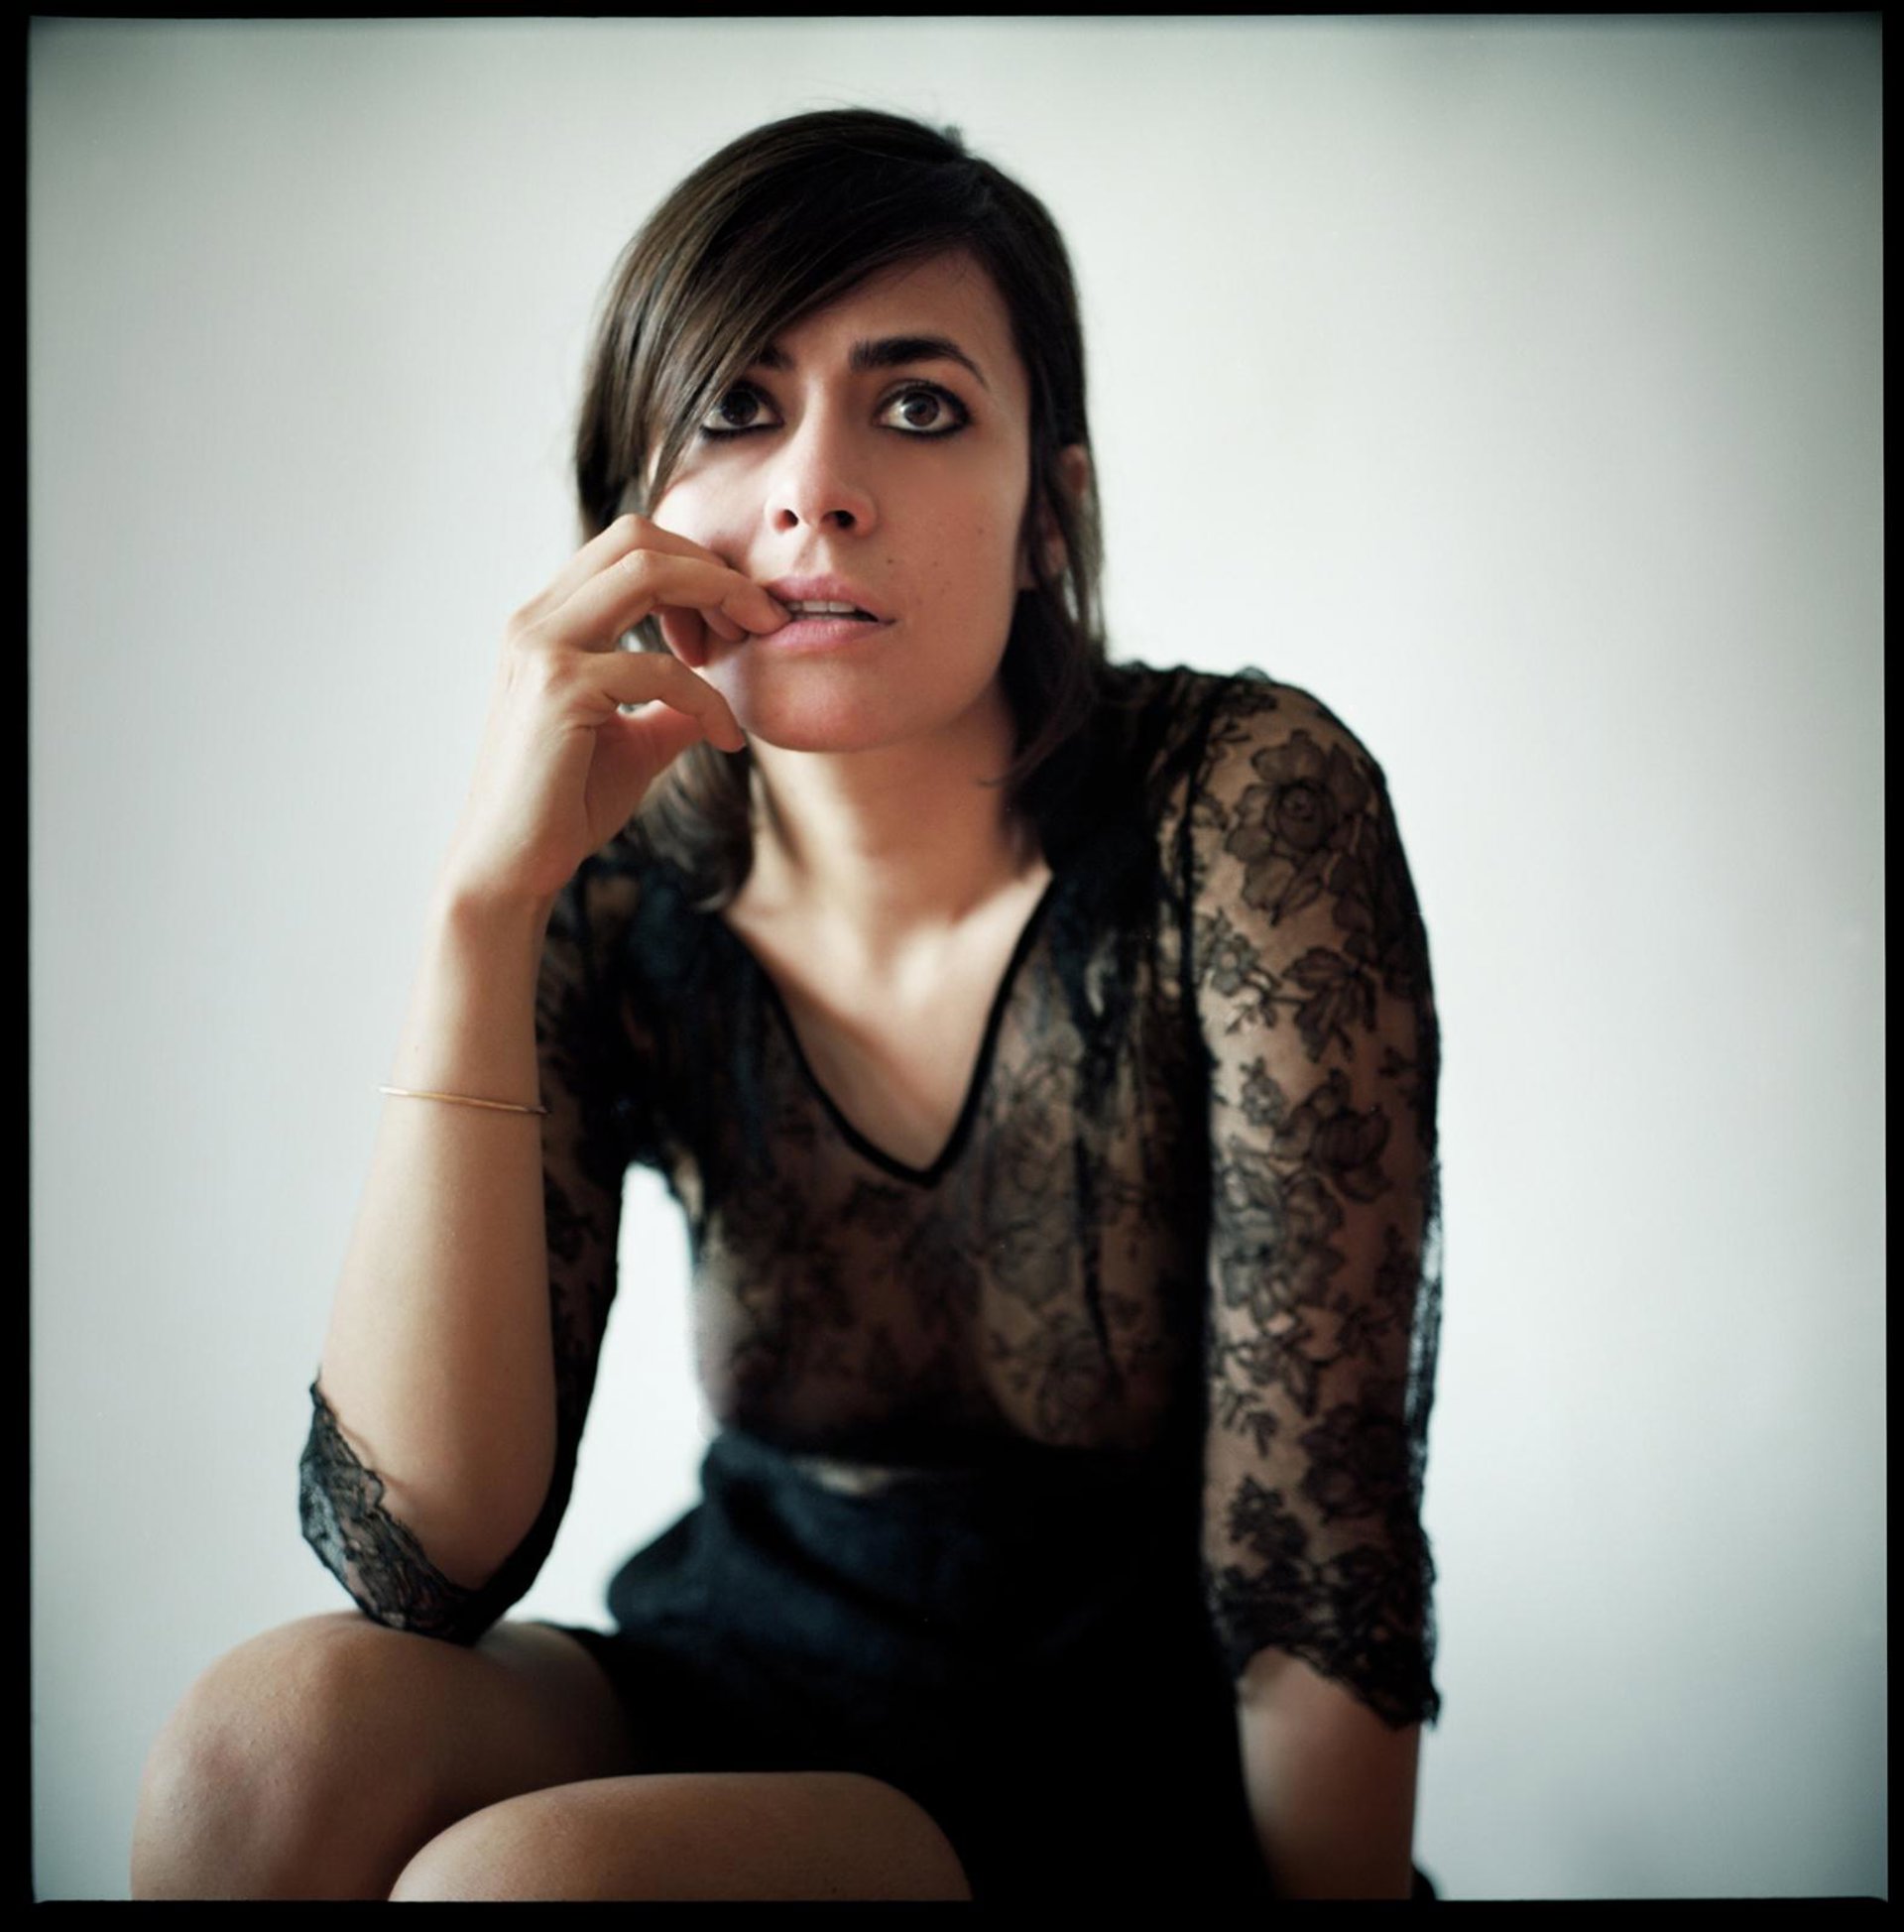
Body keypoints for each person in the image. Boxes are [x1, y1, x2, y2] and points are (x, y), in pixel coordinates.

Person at [130, 107, 1444, 1903]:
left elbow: (1322, 1550)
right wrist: (482, 913)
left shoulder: (1240, 803)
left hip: (1098, 1768)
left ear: (1050, 515)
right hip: (746, 1667)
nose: (818, 486)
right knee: (258, 1754)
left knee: (526, 1891)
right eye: (737, 407)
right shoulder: (610, 883)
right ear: (635, 511)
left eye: (920, 407)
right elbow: (424, 1563)